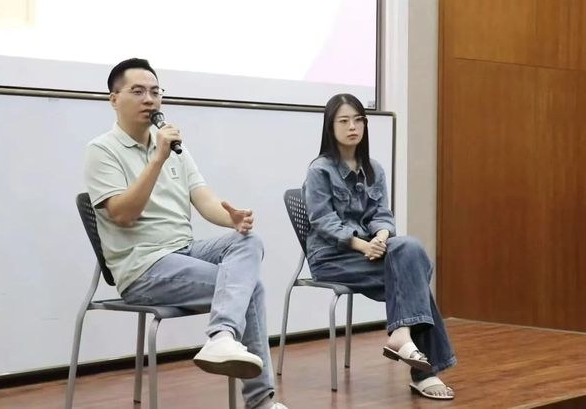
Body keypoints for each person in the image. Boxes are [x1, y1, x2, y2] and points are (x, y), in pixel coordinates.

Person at [83, 58, 286, 409]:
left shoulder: (175, 148)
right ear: (113, 99)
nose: (150, 99)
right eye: (138, 91)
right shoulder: (102, 150)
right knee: (249, 286)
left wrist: (230, 218)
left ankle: (222, 337)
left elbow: (204, 199)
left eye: (155, 92)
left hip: (184, 250)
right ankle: (257, 397)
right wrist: (157, 159)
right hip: (143, 267)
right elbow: (124, 214)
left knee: (248, 242)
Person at [302, 93, 456, 400]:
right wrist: (363, 246)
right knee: (413, 275)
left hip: (370, 251)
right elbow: (323, 221)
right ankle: (424, 373)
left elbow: (382, 215)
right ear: (330, 127)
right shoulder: (320, 170)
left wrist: (382, 238)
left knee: (408, 247)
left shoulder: (374, 168)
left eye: (358, 120)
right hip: (331, 257)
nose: (352, 127)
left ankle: (401, 334)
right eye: (344, 121)